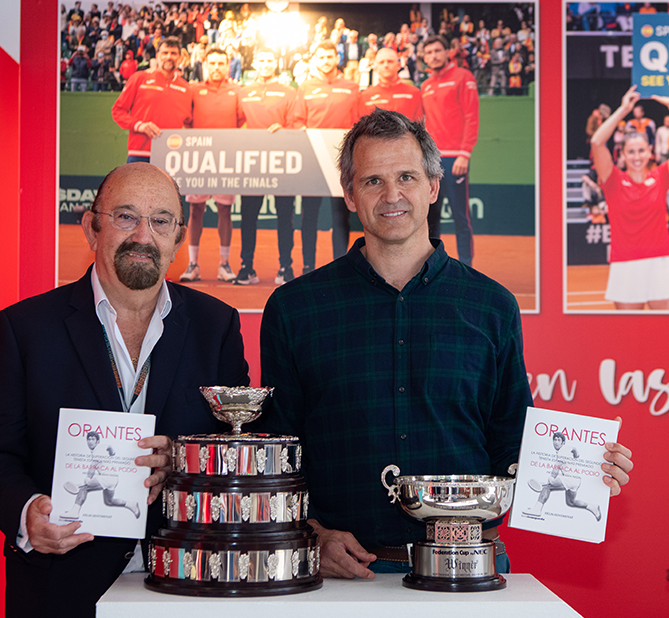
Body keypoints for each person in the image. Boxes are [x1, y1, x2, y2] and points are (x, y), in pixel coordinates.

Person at [258, 109, 633, 580]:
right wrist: (309, 532)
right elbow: (276, 452)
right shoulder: (295, 309)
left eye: (406, 177)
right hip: (343, 576)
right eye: (372, 181)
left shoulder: (492, 306)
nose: (392, 195)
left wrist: (584, 468)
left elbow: (509, 442)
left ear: (433, 187)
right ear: (350, 195)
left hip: (470, 569)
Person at [0, 162, 249, 618]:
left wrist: (181, 462)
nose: (143, 234)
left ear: (178, 238)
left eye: (160, 221)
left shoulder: (216, 327)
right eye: (125, 216)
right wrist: (28, 512)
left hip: (186, 584)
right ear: (91, 229)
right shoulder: (28, 328)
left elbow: (234, 450)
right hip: (61, 592)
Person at [590, 86, 669, 310]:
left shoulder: (661, 176)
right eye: (631, 152)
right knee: (630, 341)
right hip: (625, 267)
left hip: (660, 264)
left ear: (649, 151)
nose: (637, 157)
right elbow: (597, 142)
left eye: (641, 151)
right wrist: (624, 109)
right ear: (623, 154)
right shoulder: (612, 181)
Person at [179, 46, 246, 283]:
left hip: (226, 160)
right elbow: (186, 120)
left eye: (221, 63)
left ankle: (224, 265)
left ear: (228, 65)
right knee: (195, 211)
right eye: (212, 63)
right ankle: (193, 264)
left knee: (224, 210)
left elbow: (241, 121)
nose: (217, 67)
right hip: (199, 159)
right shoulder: (194, 89)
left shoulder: (237, 90)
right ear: (205, 64)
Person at [293, 40, 360, 273]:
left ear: (337, 58)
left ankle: (341, 267)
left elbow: (359, 122)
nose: (326, 61)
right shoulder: (306, 86)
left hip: (343, 163)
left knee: (340, 216)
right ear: (316, 60)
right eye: (321, 57)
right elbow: (297, 121)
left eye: (329, 57)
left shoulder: (351, 87)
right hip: (313, 162)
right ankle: (308, 267)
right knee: (308, 216)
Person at [236, 48, 298, 286]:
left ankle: (286, 266)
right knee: (248, 216)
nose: (265, 63)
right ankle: (246, 267)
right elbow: (233, 124)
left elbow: (296, 125)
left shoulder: (290, 93)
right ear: (255, 63)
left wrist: (285, 131)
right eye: (261, 59)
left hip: (283, 163)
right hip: (252, 163)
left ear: (276, 63)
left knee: (285, 216)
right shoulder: (244, 92)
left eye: (270, 59)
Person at [421, 36, 479, 267]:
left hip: (455, 158)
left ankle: (466, 266)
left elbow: (471, 117)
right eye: (428, 52)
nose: (433, 55)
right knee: (431, 216)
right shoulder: (425, 85)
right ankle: (432, 266)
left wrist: (465, 153)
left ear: (448, 52)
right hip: (432, 160)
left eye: (437, 50)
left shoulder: (464, 77)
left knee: (460, 217)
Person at [111, 37, 192, 163]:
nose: (169, 57)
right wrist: (139, 126)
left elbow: (190, 123)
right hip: (140, 153)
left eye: (173, 53)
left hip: (172, 156)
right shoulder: (139, 78)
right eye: (165, 53)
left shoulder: (186, 88)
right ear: (157, 55)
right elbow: (118, 111)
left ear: (180, 57)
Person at [522, 433, 602, 521]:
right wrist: (576, 454)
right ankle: (593, 507)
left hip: (570, 478)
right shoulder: (567, 448)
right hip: (577, 480)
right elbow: (574, 449)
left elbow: (557, 466)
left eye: (558, 440)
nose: (556, 442)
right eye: (555, 440)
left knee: (548, 487)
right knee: (571, 502)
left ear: (563, 442)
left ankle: (536, 510)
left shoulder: (562, 451)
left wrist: (552, 477)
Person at [61, 432, 140, 520]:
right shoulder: (103, 446)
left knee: (84, 488)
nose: (90, 441)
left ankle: (74, 512)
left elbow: (93, 464)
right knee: (109, 502)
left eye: (93, 439)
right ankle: (131, 504)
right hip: (114, 478)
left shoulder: (97, 450)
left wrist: (88, 477)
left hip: (107, 477)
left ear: (97, 441)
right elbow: (109, 446)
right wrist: (112, 452)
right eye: (89, 439)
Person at [356, 48, 422, 121]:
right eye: (381, 62)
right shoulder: (366, 95)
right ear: (376, 67)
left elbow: (419, 125)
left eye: (390, 61)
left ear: (398, 65)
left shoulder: (413, 93)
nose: (386, 65)